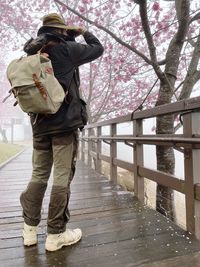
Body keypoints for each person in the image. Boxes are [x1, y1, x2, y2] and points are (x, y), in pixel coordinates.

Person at [20, 13, 104, 252]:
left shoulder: (32, 50)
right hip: (64, 126)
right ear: (62, 30)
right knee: (61, 177)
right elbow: (98, 49)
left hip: (39, 123)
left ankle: (29, 230)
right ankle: (56, 234)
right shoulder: (68, 48)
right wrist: (82, 32)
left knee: (38, 174)